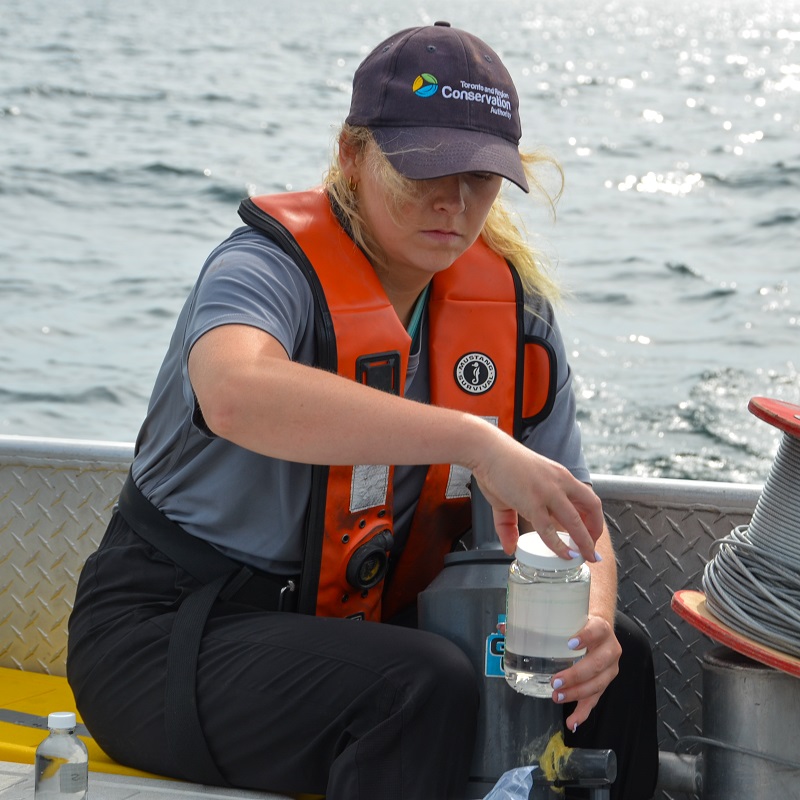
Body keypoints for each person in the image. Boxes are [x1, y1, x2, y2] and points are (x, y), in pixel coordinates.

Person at [67, 21, 658, 800]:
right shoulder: (263, 270)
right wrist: (475, 441)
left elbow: (573, 514)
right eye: (424, 170)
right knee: (419, 684)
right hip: (168, 633)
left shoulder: (513, 316)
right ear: (352, 153)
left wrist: (595, 624)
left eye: (479, 177)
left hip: (358, 624)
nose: (453, 201)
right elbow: (234, 393)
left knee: (621, 657)